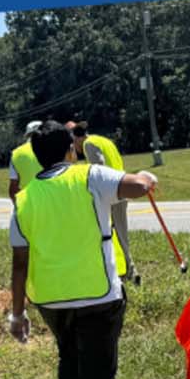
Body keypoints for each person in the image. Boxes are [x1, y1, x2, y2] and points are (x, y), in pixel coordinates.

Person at [5, 120, 160, 379]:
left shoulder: (23, 200)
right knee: (99, 377)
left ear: (37, 156)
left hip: (51, 302)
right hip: (99, 297)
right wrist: (147, 176)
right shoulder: (90, 176)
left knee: (69, 359)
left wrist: (17, 314)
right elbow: (138, 187)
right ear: (70, 150)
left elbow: (19, 264)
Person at [69, 119, 137, 284]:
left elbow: (99, 167)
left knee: (117, 233)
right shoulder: (103, 140)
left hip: (112, 192)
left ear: (77, 138)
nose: (75, 148)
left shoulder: (88, 145)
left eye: (74, 143)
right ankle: (126, 268)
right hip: (120, 187)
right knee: (120, 230)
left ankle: (129, 270)